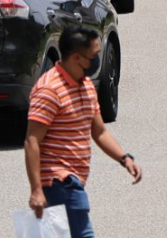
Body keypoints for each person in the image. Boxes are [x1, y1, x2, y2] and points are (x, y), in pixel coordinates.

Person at [25, 28, 142, 238]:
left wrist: (124, 159)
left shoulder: (86, 84)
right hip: (59, 182)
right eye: (95, 55)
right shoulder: (49, 90)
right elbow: (32, 141)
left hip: (74, 180)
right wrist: (36, 190)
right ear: (77, 57)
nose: (98, 59)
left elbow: (99, 131)